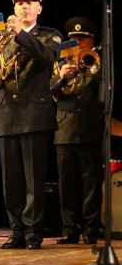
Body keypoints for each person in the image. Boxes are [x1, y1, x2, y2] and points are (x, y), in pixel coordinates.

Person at [0, 0, 62, 250]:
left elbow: (49, 57)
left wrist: (21, 34)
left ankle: (33, 232)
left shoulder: (50, 35)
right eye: (20, 2)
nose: (24, 6)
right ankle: (16, 231)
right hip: (6, 113)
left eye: (30, 2)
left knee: (33, 179)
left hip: (34, 113)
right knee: (10, 180)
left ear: (39, 8)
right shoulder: (3, 37)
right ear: (14, 7)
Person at [52, 17, 104, 245]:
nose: (78, 42)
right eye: (73, 39)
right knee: (67, 185)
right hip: (65, 130)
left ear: (92, 40)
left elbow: (106, 91)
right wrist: (62, 77)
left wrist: (92, 68)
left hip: (91, 129)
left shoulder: (99, 63)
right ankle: (69, 230)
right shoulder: (60, 64)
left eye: (82, 38)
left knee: (91, 185)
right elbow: (49, 92)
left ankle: (91, 230)